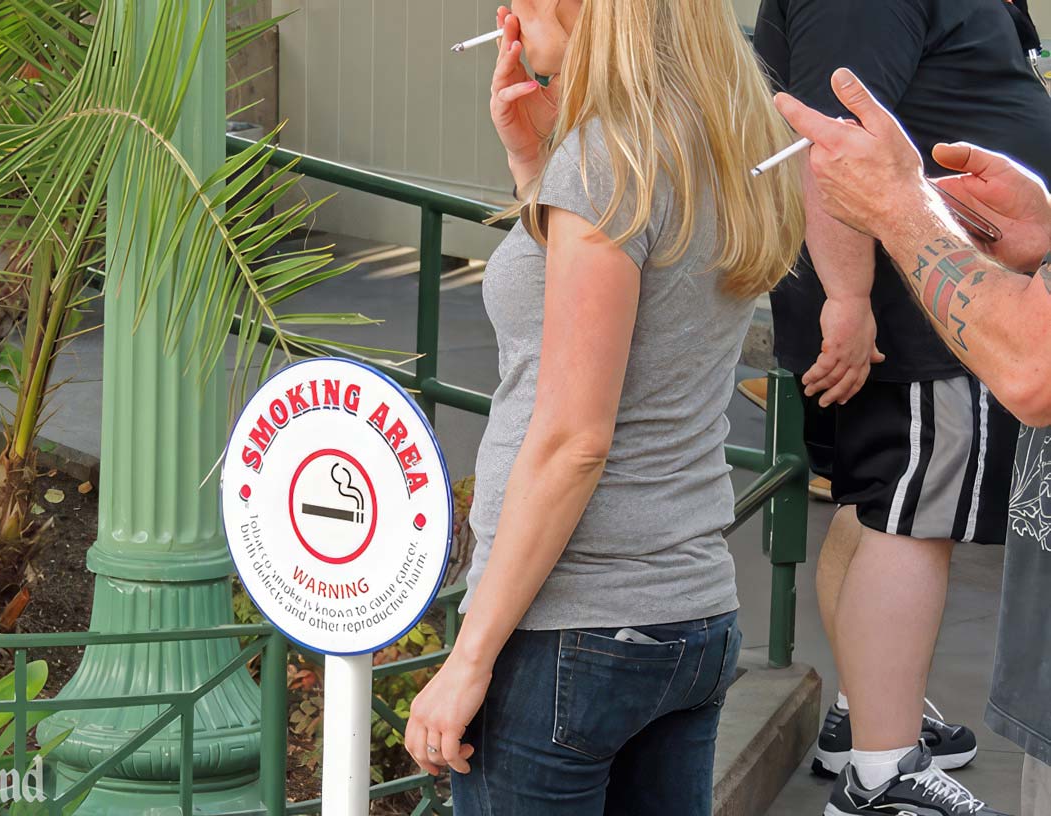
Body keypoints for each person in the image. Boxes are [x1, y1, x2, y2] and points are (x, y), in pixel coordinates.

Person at [400, 0, 803, 813]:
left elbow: (575, 439)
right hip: (690, 613)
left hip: (569, 627)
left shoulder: (604, 161)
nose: (504, 13)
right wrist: (534, 165)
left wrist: (469, 657)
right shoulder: (716, 140)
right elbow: (636, 328)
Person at [752, 2, 1051, 805]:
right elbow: (830, 136)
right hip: (923, 308)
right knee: (913, 520)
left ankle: (870, 715)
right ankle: (885, 769)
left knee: (879, 504)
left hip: (933, 294)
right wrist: (848, 298)